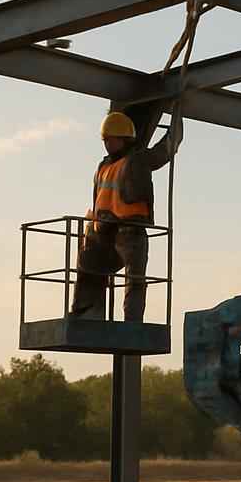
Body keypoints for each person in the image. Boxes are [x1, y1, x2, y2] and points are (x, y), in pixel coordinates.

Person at [69, 109, 182, 322]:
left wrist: (177, 122)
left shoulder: (136, 160)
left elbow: (164, 152)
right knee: (88, 265)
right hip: (103, 232)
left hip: (130, 231)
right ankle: (86, 311)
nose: (107, 144)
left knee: (135, 279)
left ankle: (132, 322)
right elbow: (97, 198)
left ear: (124, 139)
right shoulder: (103, 166)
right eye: (105, 140)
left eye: (111, 139)